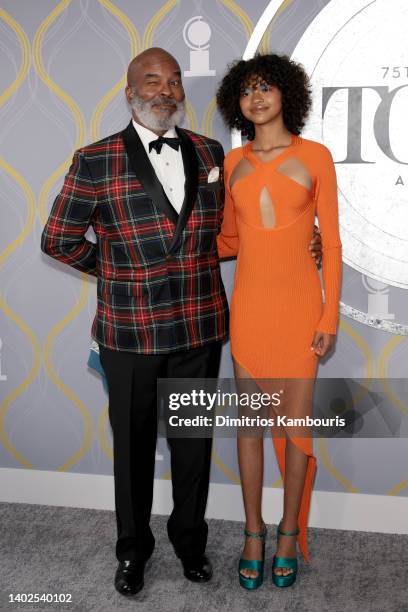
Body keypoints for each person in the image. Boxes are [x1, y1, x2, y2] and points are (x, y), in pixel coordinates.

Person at [41, 47, 323, 597]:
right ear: (130, 92)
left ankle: (191, 545)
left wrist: (301, 238)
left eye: (173, 81)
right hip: (132, 333)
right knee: (133, 450)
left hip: (199, 326)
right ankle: (132, 553)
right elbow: (57, 239)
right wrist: (115, 270)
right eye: (152, 81)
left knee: (192, 446)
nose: (165, 90)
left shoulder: (210, 150)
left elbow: (232, 231)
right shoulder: (95, 159)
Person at [216, 53, 342, 589]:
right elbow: (227, 240)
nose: (258, 97)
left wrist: (329, 313)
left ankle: (288, 531)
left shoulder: (317, 156)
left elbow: (332, 244)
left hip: (297, 312)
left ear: (288, 93)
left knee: (294, 431)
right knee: (248, 428)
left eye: (267, 87)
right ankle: (253, 532)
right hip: (248, 311)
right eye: (247, 90)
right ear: (236, 103)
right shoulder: (232, 163)